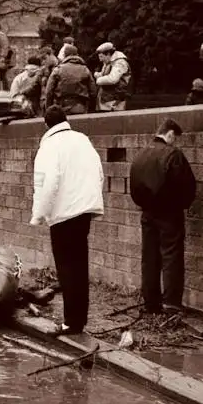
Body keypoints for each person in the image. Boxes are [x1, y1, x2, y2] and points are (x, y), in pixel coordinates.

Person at [30, 106, 105, 335]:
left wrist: (38, 215)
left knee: (66, 268)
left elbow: (46, 183)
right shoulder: (83, 140)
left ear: (46, 125)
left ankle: (71, 322)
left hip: (63, 214)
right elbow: (99, 172)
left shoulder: (49, 146)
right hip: (84, 211)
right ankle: (79, 319)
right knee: (80, 266)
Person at [128, 119, 197, 314]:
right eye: (174, 138)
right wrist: (183, 205)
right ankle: (171, 304)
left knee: (149, 258)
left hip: (147, 213)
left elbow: (133, 186)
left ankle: (151, 302)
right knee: (171, 257)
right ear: (170, 134)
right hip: (169, 213)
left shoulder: (140, 154)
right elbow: (186, 185)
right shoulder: (173, 154)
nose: (174, 142)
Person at [42, 48, 96, 115]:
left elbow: (49, 91)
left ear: (65, 55)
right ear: (77, 55)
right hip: (80, 106)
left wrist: (48, 108)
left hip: (61, 107)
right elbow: (93, 91)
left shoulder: (58, 69)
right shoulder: (85, 69)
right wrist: (92, 109)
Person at [93, 42, 132, 111]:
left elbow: (113, 79)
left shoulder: (119, 62)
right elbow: (106, 74)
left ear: (108, 54)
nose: (100, 60)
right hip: (109, 99)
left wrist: (98, 80)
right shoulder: (109, 62)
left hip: (115, 100)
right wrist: (98, 74)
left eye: (101, 57)